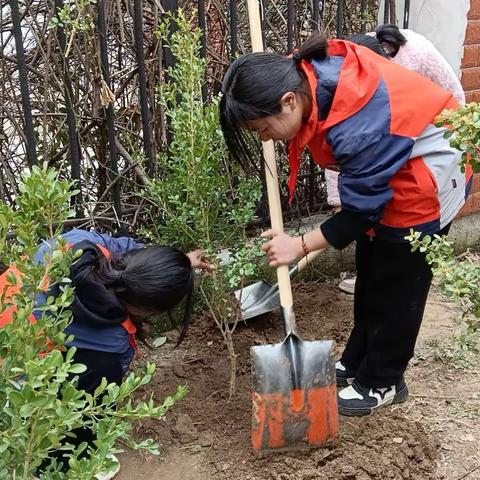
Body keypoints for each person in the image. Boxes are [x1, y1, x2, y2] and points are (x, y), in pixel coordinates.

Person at [219, 32, 472, 417]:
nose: (263, 138)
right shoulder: (302, 74)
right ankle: (357, 361)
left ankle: (384, 380)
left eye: (262, 129)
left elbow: (359, 213)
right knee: (371, 273)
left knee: (398, 289)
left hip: (428, 174)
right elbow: (362, 201)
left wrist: (300, 244)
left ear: (288, 102)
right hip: (394, 165)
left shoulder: (356, 122)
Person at [0, 228, 211, 479]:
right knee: (98, 383)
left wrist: (177, 264)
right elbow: (108, 387)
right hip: (11, 369)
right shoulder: (112, 340)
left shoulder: (83, 244)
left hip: (7, 307)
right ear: (149, 310)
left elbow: (127, 248)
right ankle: (61, 464)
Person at [328, 24, 466, 295]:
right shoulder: (342, 80)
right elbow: (339, 147)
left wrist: (414, 152)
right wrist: (339, 201)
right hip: (383, 170)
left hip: (427, 171)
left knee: (403, 281)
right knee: (372, 256)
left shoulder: (416, 55)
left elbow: (455, 105)